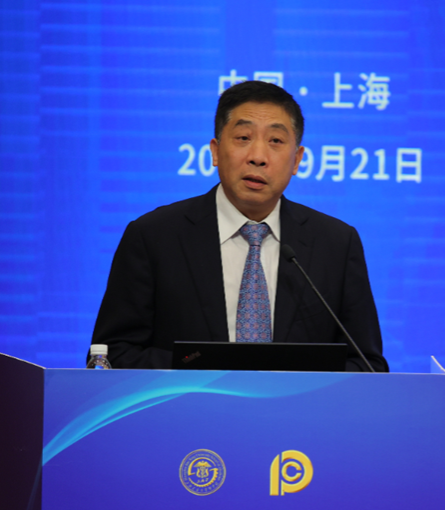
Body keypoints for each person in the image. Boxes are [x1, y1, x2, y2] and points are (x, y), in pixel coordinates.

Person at [91, 80, 388, 372]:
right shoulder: (154, 236)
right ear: (216, 151)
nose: (258, 157)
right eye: (243, 137)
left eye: (275, 141)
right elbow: (112, 355)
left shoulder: (335, 244)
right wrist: (210, 370)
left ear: (297, 160)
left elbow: (367, 365)